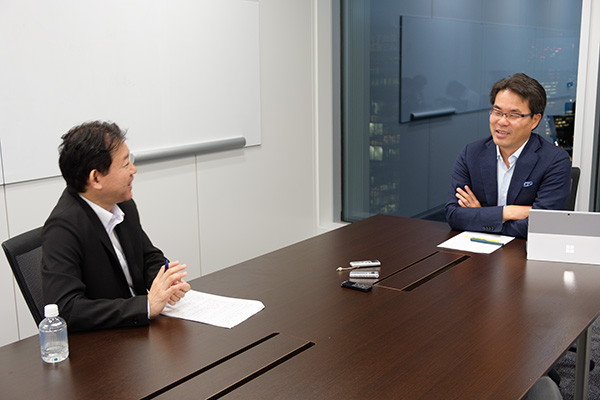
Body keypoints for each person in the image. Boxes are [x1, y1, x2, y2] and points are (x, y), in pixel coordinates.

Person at [42, 121, 191, 332]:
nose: (133, 170)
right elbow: (67, 308)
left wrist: (166, 281)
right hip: (106, 341)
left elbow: (147, 256)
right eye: (125, 164)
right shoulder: (62, 229)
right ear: (96, 178)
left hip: (138, 329)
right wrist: (146, 306)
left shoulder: (122, 204)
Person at [444, 73, 571, 239]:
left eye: (513, 115)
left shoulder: (554, 160)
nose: (502, 121)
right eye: (497, 112)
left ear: (535, 120)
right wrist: (508, 212)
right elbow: (453, 215)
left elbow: (543, 223)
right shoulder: (471, 154)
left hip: (523, 250)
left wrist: (482, 216)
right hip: (475, 249)